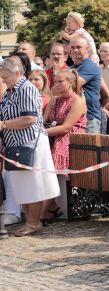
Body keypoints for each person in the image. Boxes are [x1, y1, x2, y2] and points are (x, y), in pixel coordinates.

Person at [0, 57, 60, 236]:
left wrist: (4, 125)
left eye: (5, 77)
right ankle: (29, 222)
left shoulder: (26, 89)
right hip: (14, 143)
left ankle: (33, 223)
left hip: (29, 143)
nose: (3, 81)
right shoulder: (9, 92)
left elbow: (30, 118)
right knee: (21, 186)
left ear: (17, 73)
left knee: (33, 185)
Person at [39, 69, 86, 224]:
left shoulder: (78, 101)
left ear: (71, 83)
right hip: (52, 137)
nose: (56, 84)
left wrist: (40, 133)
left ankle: (43, 214)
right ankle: (53, 207)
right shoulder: (54, 101)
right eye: (56, 81)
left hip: (70, 140)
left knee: (50, 173)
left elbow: (66, 128)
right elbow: (43, 122)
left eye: (61, 81)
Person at [67, 35, 109, 134]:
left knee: (89, 149)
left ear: (87, 48)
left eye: (78, 47)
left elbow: (69, 86)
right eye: (72, 47)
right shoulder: (72, 68)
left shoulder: (90, 66)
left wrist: (98, 107)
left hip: (89, 118)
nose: (75, 50)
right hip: (75, 117)